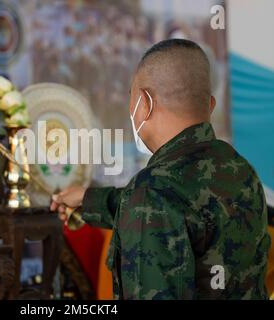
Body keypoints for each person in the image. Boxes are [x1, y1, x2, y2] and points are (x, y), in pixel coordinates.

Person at [50, 39, 271, 299]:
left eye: (131, 96)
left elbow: (159, 206)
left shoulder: (152, 192)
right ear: (210, 104)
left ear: (145, 103)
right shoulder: (240, 170)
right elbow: (186, 208)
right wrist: (88, 200)